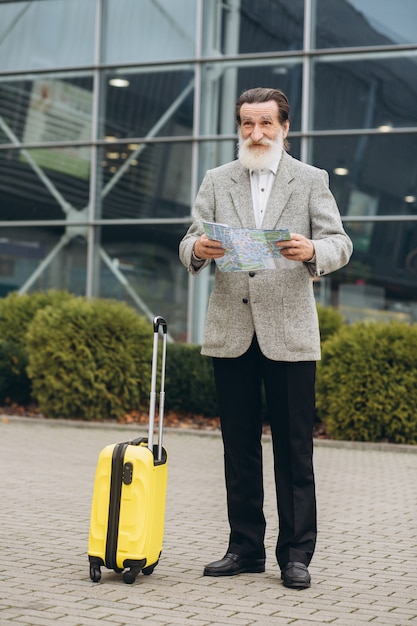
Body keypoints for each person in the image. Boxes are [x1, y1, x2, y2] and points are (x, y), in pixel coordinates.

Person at [179, 87, 353, 589]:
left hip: (290, 332)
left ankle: (296, 555)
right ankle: (244, 548)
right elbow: (189, 239)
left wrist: (311, 249)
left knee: (295, 449)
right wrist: (200, 247)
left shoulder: (311, 180)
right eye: (247, 124)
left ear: (284, 128)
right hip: (231, 330)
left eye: (265, 124)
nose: (256, 134)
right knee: (238, 446)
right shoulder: (217, 179)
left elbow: (341, 242)